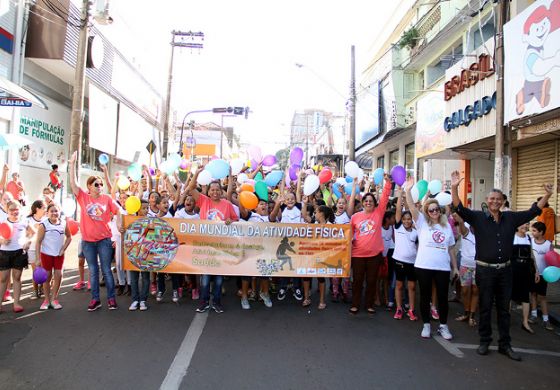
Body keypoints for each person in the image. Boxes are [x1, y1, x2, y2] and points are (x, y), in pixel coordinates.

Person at [451, 170, 553, 361]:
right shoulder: (478, 217)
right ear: (487, 201)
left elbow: (533, 212)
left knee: (504, 310)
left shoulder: (511, 218)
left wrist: (547, 195)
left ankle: (505, 345)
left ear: (503, 202)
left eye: (499, 199)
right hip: (484, 270)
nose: (495, 202)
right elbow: (459, 208)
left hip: (506, 271)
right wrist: (455, 187)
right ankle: (484, 341)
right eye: (492, 199)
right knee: (486, 306)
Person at [404, 178, 457, 340]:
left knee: (442, 298)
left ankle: (443, 326)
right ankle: (426, 325)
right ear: (427, 212)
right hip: (423, 266)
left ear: (440, 211)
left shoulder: (447, 226)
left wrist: (455, 267)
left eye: (436, 209)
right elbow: (412, 207)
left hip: (442, 267)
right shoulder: (421, 222)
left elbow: (451, 249)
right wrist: (407, 190)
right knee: (425, 296)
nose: (434, 212)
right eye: (431, 210)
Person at [68, 151, 121, 312]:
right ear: (89, 187)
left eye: (100, 184)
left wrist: (118, 224)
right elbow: (73, 184)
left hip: (104, 240)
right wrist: (71, 165)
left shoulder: (107, 199)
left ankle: (111, 299)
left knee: (106, 270)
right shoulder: (83, 197)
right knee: (93, 270)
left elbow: (119, 211)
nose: (99, 187)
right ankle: (95, 299)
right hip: (87, 242)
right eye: (96, 184)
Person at [187, 167, 239, 314]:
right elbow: (190, 189)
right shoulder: (203, 201)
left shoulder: (227, 205)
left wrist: (230, 221)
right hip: (205, 246)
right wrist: (196, 173)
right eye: (212, 190)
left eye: (217, 190)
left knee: (218, 279)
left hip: (221, 247)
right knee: (205, 277)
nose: (215, 192)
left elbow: (236, 221)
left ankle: (216, 302)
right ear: (208, 192)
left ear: (221, 191)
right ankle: (204, 302)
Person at [348, 175, 392, 315]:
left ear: (374, 203)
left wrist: (388, 183)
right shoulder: (355, 217)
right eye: (366, 201)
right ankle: (355, 304)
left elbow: (384, 198)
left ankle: (369, 304)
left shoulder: (379, 213)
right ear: (362, 203)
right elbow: (349, 235)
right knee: (357, 281)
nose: (368, 202)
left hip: (374, 256)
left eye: (371, 201)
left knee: (372, 281)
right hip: (358, 255)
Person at [35, 204, 72, 310]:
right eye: (52, 211)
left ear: (59, 212)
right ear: (47, 213)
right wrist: (38, 258)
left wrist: (63, 249)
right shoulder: (44, 225)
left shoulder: (63, 223)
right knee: (47, 277)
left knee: (58, 275)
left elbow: (69, 237)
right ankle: (46, 300)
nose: (54, 213)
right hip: (46, 254)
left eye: (56, 211)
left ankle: (54, 299)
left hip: (59, 255)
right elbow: (38, 242)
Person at [0, 201, 32, 312]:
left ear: (20, 209)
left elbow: (34, 233)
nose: (14, 212)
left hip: (19, 252)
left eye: (16, 209)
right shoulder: (2, 221)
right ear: (7, 211)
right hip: (4, 253)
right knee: (3, 279)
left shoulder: (24, 221)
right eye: (11, 210)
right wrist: (2, 240)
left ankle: (16, 303)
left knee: (17, 278)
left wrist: (28, 241)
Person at [392, 187, 418, 321]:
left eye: (409, 219)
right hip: (399, 260)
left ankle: (412, 310)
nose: (407, 221)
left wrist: (407, 199)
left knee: (412, 286)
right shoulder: (398, 227)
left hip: (413, 262)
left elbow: (418, 246)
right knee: (399, 285)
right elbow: (398, 210)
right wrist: (400, 195)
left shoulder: (416, 230)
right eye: (405, 219)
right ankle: (399, 308)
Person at [511, 223, 538, 334]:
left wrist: (536, 270)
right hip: (513, 269)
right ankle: (505, 320)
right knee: (509, 295)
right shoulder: (511, 237)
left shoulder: (528, 238)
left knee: (525, 297)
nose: (525, 227)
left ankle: (525, 322)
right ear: (517, 226)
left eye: (527, 225)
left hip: (525, 270)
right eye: (523, 224)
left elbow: (532, 256)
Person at [453, 213, 478, 328]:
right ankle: (466, 312)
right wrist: (461, 220)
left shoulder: (484, 233)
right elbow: (462, 229)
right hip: (465, 265)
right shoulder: (466, 230)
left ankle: (471, 315)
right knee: (465, 291)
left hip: (479, 266)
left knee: (475, 290)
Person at [529, 222, 554, 331]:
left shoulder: (548, 244)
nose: (532, 233)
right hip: (533, 273)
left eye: (534, 231)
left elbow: (553, 260)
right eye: (532, 230)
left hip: (544, 274)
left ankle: (545, 319)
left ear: (541, 232)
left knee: (542, 297)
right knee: (533, 294)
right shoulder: (530, 242)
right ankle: (533, 315)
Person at [25, 200, 47, 300]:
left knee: (43, 270)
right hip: (32, 249)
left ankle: (42, 288)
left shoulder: (46, 219)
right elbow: (25, 234)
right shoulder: (28, 220)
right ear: (37, 209)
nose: (45, 210)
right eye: (43, 208)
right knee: (35, 270)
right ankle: (35, 291)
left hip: (44, 249)